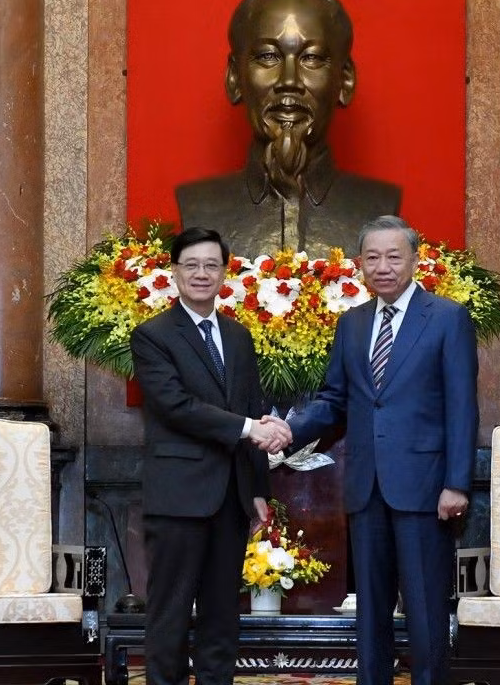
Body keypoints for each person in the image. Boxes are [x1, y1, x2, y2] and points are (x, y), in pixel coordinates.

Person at [280, 215, 478, 685]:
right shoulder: (352, 323)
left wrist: (456, 483)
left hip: (427, 489)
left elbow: (462, 408)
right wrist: (287, 430)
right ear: (359, 264)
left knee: (426, 609)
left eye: (393, 256)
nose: (383, 266)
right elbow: (334, 400)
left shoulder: (448, 318)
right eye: (372, 257)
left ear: (414, 259)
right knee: (370, 611)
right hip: (366, 489)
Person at [130, 227, 292, 685]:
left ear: (225, 273)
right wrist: (248, 428)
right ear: (175, 272)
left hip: (231, 497)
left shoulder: (239, 336)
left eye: (211, 266)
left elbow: (251, 407)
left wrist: (258, 489)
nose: (202, 274)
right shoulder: (152, 335)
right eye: (191, 265)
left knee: (223, 615)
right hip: (179, 497)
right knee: (171, 615)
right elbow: (174, 406)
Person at [177, 0, 400, 257]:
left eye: (312, 58)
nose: (289, 81)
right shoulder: (198, 205)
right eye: (268, 56)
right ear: (235, 78)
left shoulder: (379, 204)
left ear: (345, 81)